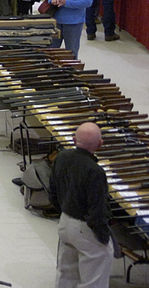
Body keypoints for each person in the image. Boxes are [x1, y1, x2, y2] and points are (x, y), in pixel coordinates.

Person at [49, 122, 112, 288]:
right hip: (85, 228)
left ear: (74, 139)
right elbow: (97, 210)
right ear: (100, 144)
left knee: (66, 275)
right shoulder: (95, 171)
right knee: (94, 281)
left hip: (65, 221)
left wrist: (63, 212)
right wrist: (103, 237)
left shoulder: (61, 157)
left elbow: (52, 191)